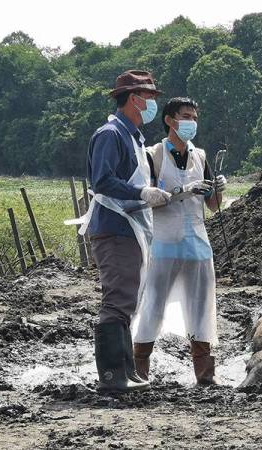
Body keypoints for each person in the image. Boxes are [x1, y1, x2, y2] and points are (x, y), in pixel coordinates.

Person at [83, 70, 172, 393]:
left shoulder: (133, 136)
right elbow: (102, 180)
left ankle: (127, 371)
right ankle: (111, 376)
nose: (151, 104)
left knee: (129, 297)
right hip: (114, 226)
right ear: (134, 98)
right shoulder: (110, 134)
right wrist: (142, 194)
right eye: (148, 98)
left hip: (130, 226)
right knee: (118, 297)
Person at [132, 97, 227, 385]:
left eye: (195, 117)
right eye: (186, 116)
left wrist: (217, 188)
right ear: (170, 120)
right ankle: (139, 372)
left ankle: (205, 376)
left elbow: (212, 205)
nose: (192, 123)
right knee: (153, 306)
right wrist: (182, 191)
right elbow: (147, 199)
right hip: (164, 242)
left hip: (197, 242)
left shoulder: (200, 156)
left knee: (201, 307)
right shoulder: (153, 156)